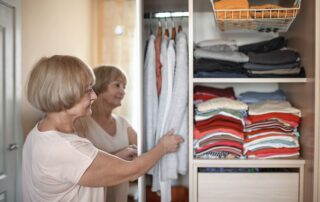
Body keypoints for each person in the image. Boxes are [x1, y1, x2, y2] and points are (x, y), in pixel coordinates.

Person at [22, 55, 183, 202]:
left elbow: (76, 169)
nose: (94, 96)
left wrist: (117, 156)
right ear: (64, 93)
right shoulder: (65, 148)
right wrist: (163, 147)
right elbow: (133, 171)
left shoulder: (38, 133)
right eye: (87, 91)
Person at [76, 65, 138, 202]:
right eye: (117, 85)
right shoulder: (81, 124)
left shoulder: (124, 123)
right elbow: (82, 169)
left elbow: (142, 148)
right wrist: (121, 154)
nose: (123, 91)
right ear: (100, 87)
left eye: (124, 87)